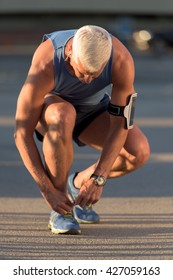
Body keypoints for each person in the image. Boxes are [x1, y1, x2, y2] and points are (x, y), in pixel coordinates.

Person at [14, 25, 150, 235]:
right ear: (69, 53)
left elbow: (120, 125)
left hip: (93, 110)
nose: (87, 80)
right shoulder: (46, 62)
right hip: (52, 111)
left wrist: (98, 177)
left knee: (138, 153)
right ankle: (61, 209)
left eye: (94, 75)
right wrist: (47, 190)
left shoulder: (121, 60)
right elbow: (21, 133)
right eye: (82, 72)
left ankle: (77, 184)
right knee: (63, 114)